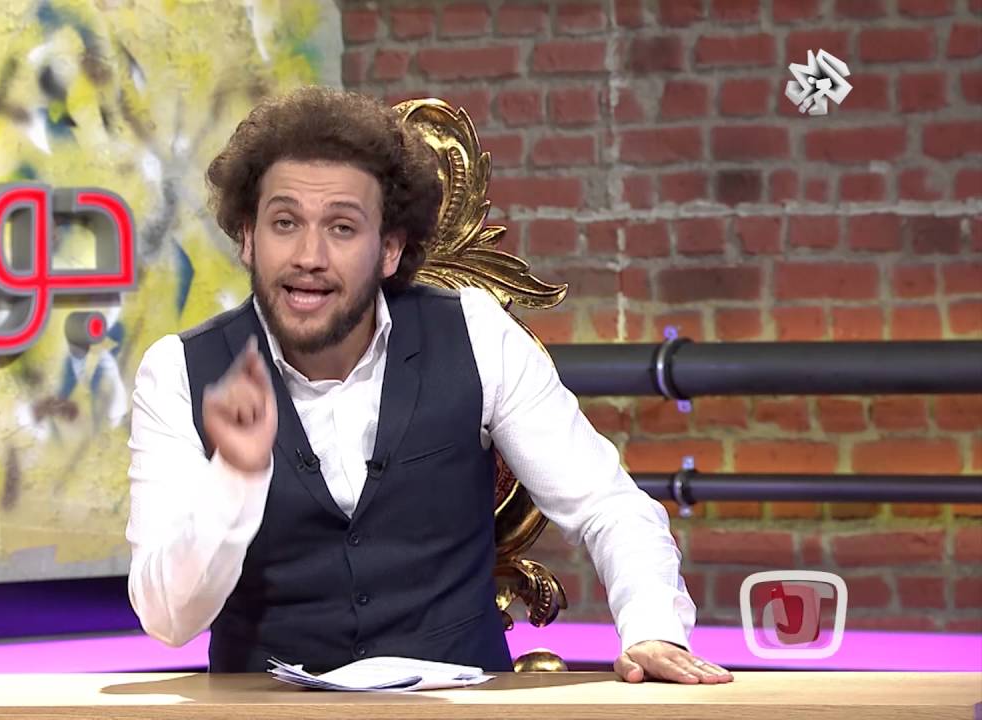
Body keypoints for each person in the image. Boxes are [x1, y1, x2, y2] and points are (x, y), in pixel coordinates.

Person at [125, 85, 733, 684]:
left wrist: (651, 628)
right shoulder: (178, 372)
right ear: (248, 239)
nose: (309, 255)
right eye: (285, 223)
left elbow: (609, 506)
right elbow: (167, 620)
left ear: (390, 249)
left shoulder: (477, 334)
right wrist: (233, 480)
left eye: (342, 227)